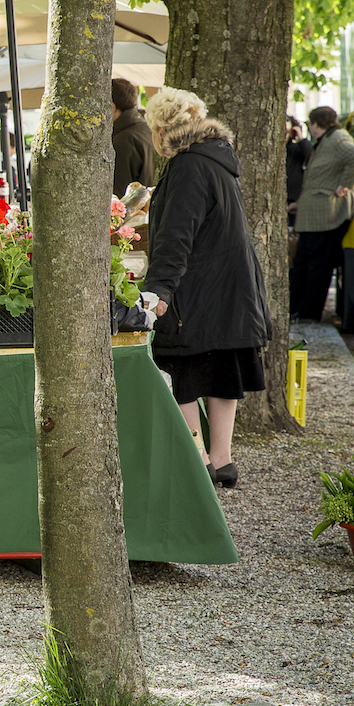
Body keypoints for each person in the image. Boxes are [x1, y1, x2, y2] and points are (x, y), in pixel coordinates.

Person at [140, 87, 271, 488]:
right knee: (219, 370)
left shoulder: (187, 166)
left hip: (199, 289)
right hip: (230, 289)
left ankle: (196, 461)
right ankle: (222, 459)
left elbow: (176, 237)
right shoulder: (215, 160)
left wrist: (159, 290)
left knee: (182, 366)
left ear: (162, 130)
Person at [290, 105, 354, 322]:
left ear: (316, 124)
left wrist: (344, 185)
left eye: (310, 124)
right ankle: (297, 308)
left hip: (325, 217)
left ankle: (308, 312)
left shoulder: (337, 140)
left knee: (317, 268)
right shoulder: (327, 140)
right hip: (315, 215)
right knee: (303, 265)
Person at [111, 77, 154, 197]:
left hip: (133, 211)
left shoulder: (122, 141)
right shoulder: (147, 128)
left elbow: (119, 196)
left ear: (112, 107)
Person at [285, 115, 312, 227]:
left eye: (286, 132)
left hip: (293, 201)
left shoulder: (296, 149)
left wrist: (301, 138)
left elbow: (311, 155)